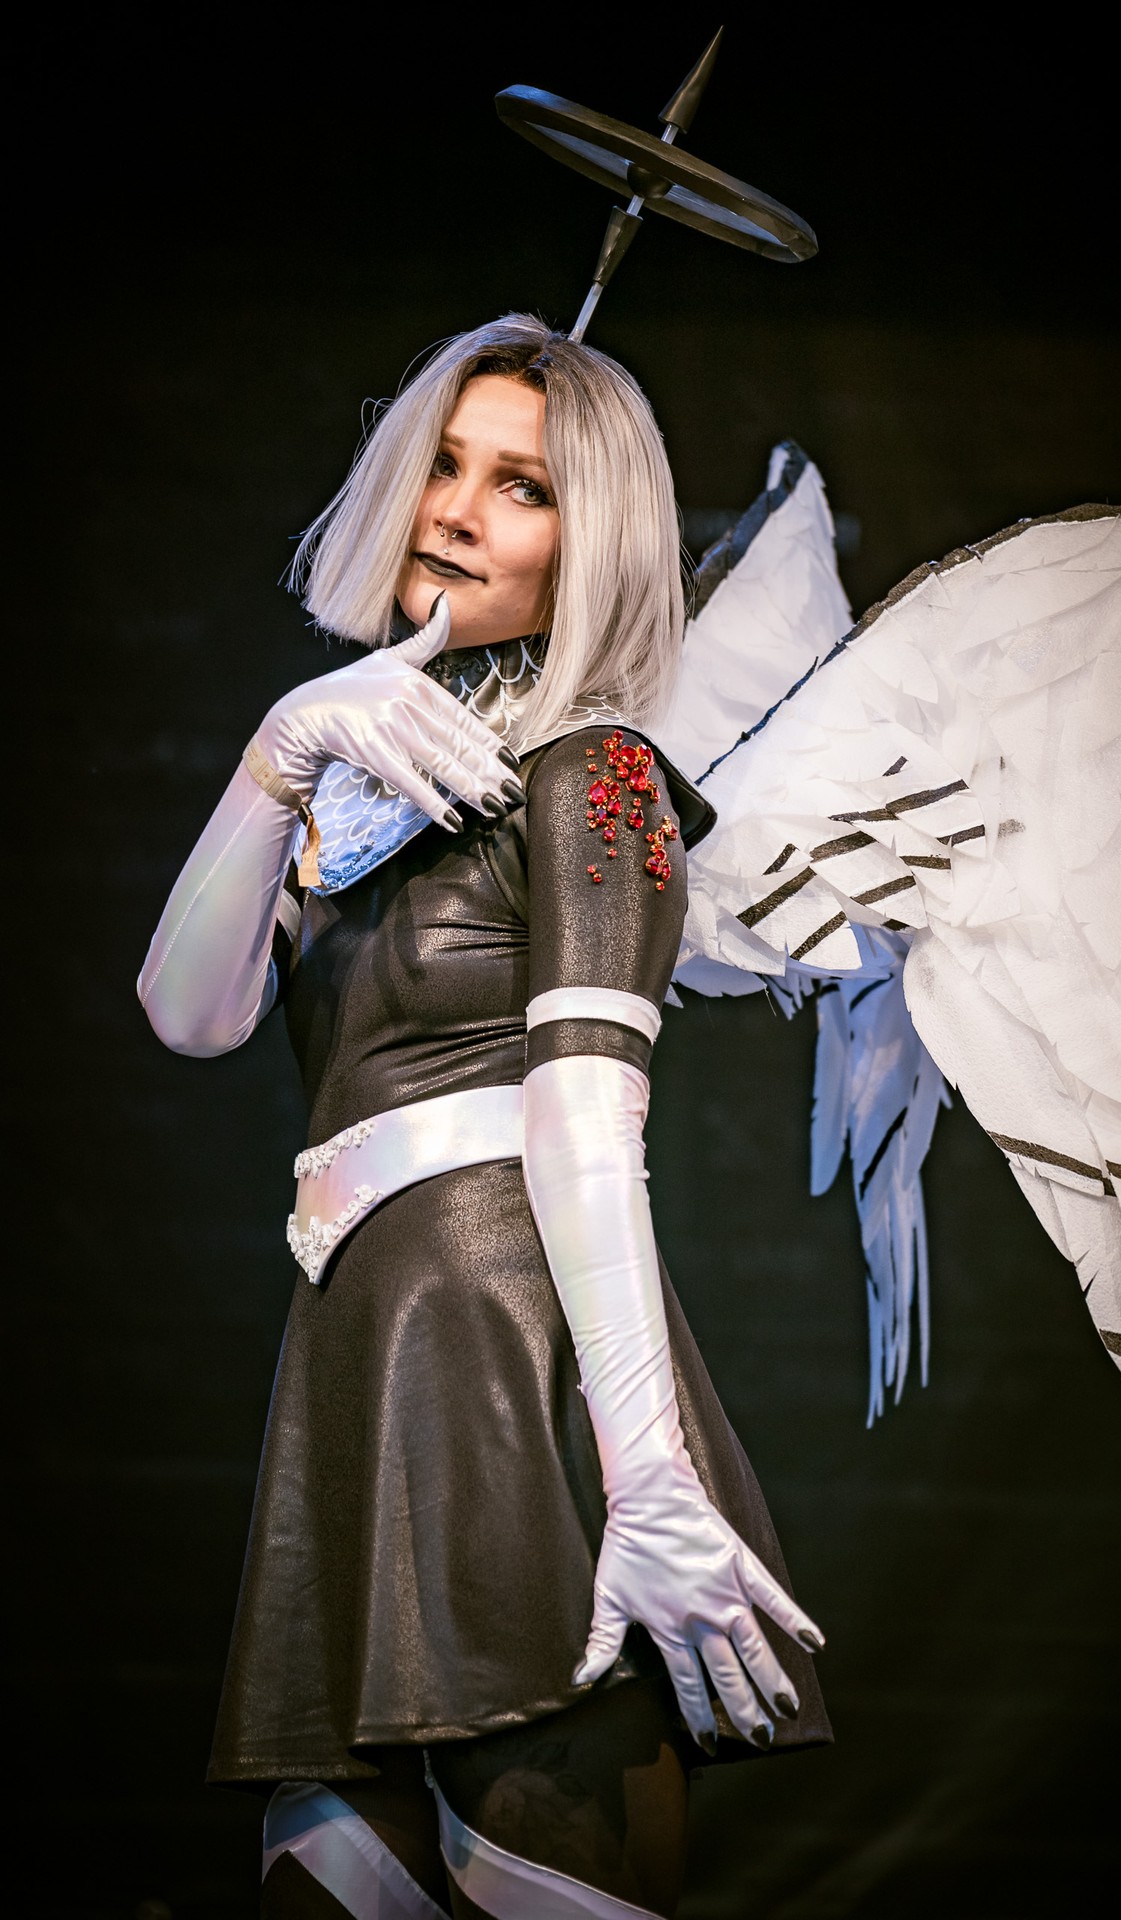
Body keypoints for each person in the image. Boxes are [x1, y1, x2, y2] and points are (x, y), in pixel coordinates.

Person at [139, 314, 830, 1920]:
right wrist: (278, 750)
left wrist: (649, 1474)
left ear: (592, 540)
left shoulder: (597, 771)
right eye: (444, 464)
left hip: (507, 1363)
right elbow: (188, 1011)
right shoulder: (358, 786)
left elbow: (589, 1127)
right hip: (356, 1364)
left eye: (522, 486)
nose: (455, 510)